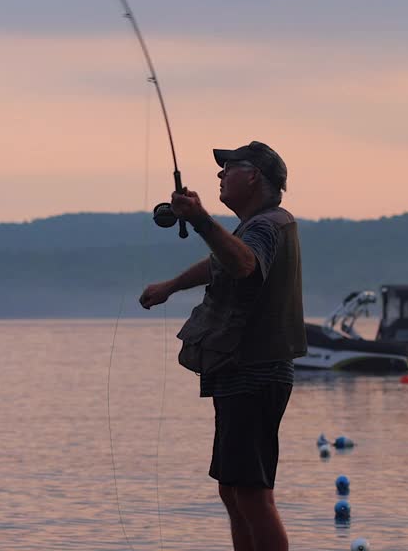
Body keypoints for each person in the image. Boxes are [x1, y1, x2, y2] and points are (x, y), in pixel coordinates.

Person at [138, 141, 305, 551]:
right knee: (232, 490)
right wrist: (172, 286)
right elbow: (224, 261)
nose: (220, 175)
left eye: (229, 167)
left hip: (256, 372)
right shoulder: (253, 227)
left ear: (254, 176)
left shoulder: (267, 225)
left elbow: (244, 264)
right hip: (239, 373)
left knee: (251, 492)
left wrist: (198, 219)